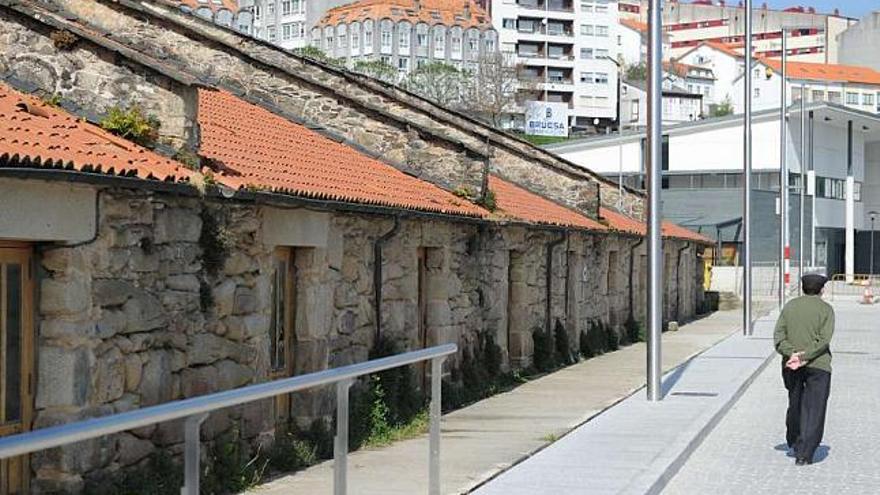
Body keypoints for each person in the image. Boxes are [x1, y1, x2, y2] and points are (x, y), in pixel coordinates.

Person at [773, 273, 834, 466]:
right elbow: (824, 340)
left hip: (791, 364)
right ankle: (805, 453)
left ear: (803, 288)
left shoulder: (790, 306)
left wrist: (792, 354)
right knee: (814, 408)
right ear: (822, 289)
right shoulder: (826, 310)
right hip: (818, 365)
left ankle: (794, 439)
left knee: (796, 401)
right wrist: (805, 356)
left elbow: (778, 335)